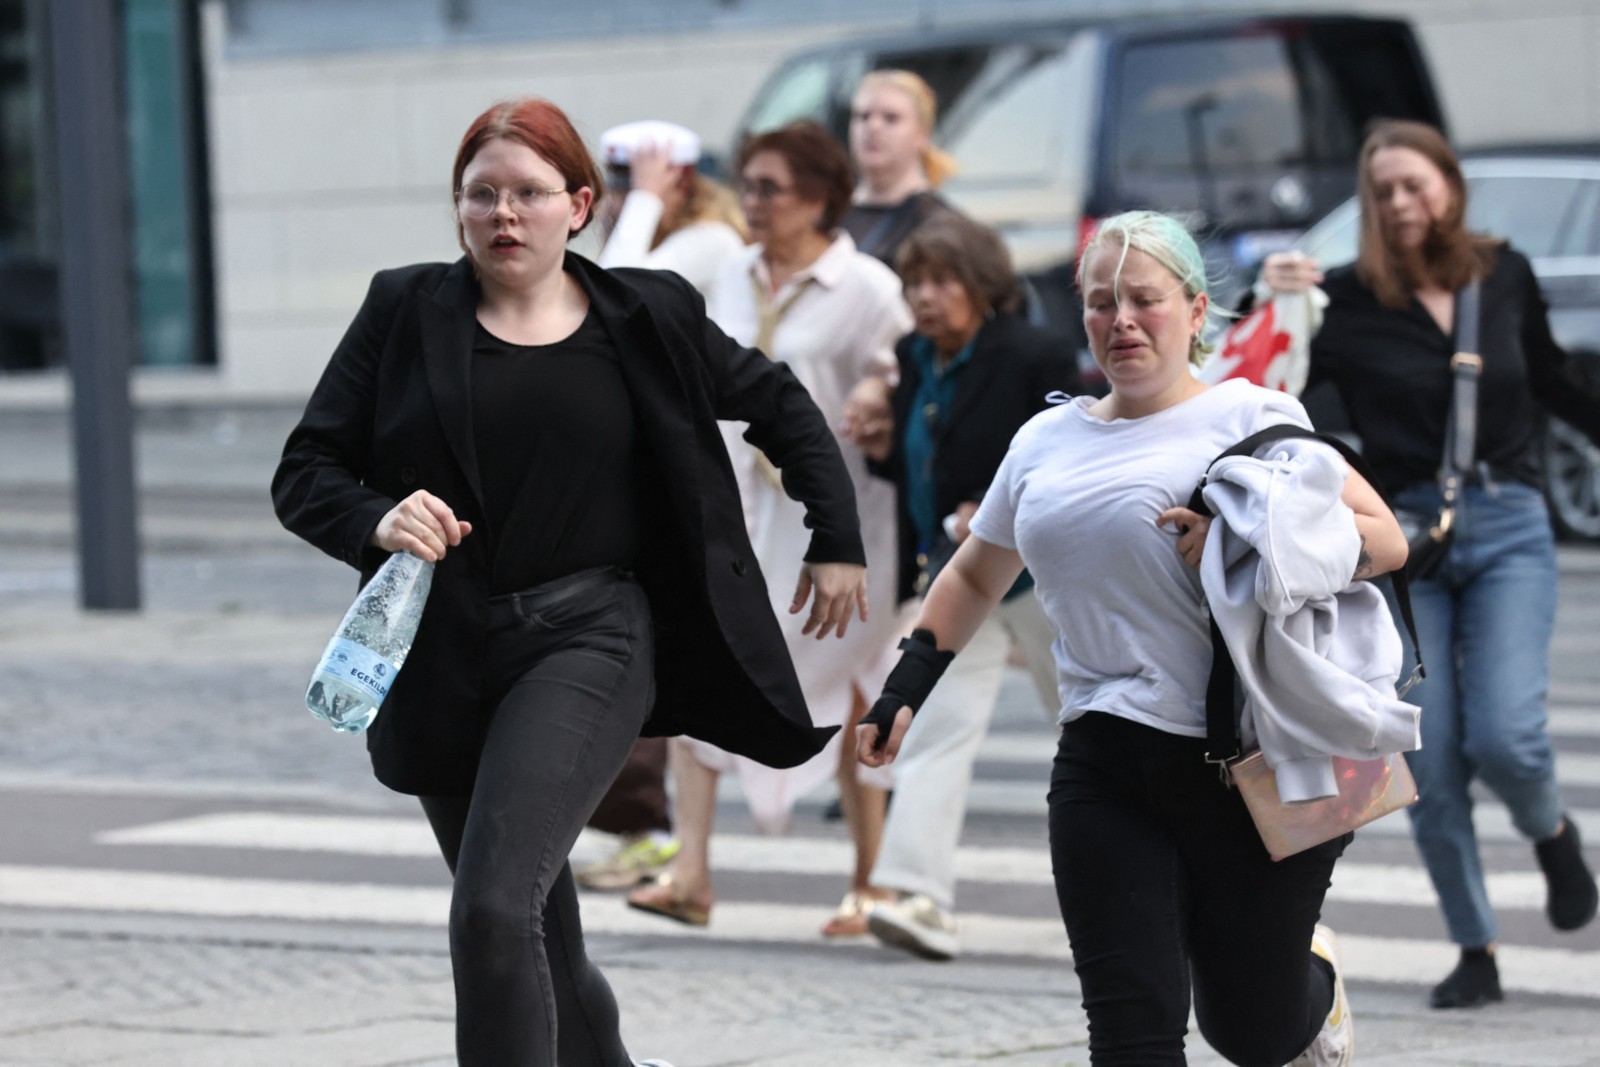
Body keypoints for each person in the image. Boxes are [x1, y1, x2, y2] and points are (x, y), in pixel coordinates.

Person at [272, 97, 871, 1067]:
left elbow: (779, 403)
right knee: (537, 929)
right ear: (458, 208)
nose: (504, 214)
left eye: (528, 193)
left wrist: (833, 535)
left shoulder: (647, 314)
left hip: (589, 635)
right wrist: (373, 519)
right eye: (482, 195)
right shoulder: (402, 307)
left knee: (492, 906)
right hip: (444, 648)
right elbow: (306, 470)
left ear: (579, 203)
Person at [859, 210, 1412, 1065]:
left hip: (1254, 763)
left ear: (1195, 312)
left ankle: (1314, 986)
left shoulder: (1252, 414)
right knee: (1132, 1034)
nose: (1121, 320)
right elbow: (976, 571)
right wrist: (907, 685)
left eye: (1144, 300)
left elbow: (1384, 540)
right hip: (1104, 766)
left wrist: (1240, 543)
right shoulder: (1047, 439)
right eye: (1099, 302)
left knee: (1254, 1031)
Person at [1259, 118, 1600, 1010]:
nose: (1402, 204)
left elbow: (1556, 379)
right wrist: (1278, 305)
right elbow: (1277, 396)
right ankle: (1474, 945)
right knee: (1432, 757)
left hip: (1512, 523)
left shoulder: (1506, 273)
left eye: (1416, 185)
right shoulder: (1344, 300)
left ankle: (1550, 829)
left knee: (1507, 734)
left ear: (1448, 184)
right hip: (1407, 543)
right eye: (1383, 192)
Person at [626, 120, 911, 937]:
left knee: (857, 684)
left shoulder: (868, 287)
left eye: (771, 188)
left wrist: (877, 399)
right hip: (736, 511)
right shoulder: (731, 273)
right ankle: (692, 871)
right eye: (746, 184)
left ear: (820, 198)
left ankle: (872, 880)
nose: (752, 202)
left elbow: (902, 376)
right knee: (697, 668)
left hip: (838, 522)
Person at [840, 214, 1077, 959]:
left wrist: (996, 505)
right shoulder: (916, 356)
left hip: (1041, 576)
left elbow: (1068, 450)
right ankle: (916, 894)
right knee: (936, 727)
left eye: (944, 281)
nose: (926, 298)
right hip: (956, 575)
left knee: (1091, 724)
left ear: (982, 284)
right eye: (915, 283)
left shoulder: (1032, 353)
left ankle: (1152, 877)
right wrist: (883, 447)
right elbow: (920, 459)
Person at [579, 119, 749, 893]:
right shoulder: (664, 240)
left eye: (632, 180)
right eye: (614, 182)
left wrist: (640, 203)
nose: (616, 198)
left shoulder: (710, 241)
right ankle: (643, 826)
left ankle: (659, 833)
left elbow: (617, 294)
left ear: (675, 181)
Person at [596, 119, 747, 293]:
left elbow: (615, 293)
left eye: (634, 186)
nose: (619, 201)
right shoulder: (654, 235)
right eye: (616, 185)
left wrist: (645, 197)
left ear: (682, 183)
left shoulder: (714, 237)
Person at [840, 69, 960, 267]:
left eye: (891, 118)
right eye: (863, 116)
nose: (873, 127)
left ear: (923, 134)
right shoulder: (827, 213)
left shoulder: (939, 224)